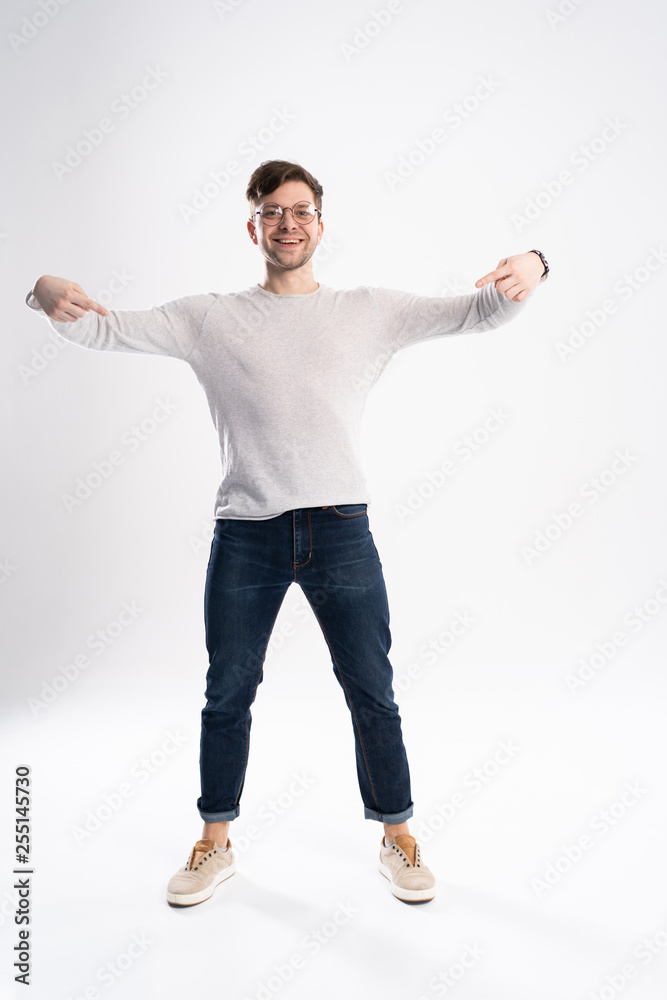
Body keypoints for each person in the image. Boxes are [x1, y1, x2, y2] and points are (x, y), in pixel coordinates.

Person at [25, 159, 548, 907]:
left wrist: (535, 261)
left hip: (341, 530)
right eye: (272, 212)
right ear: (253, 228)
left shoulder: (368, 310)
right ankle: (214, 842)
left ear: (320, 225)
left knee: (372, 690)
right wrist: (39, 290)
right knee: (227, 693)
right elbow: (100, 328)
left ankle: (398, 836)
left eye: (300, 210)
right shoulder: (208, 318)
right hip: (247, 533)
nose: (287, 222)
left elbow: (480, 311)